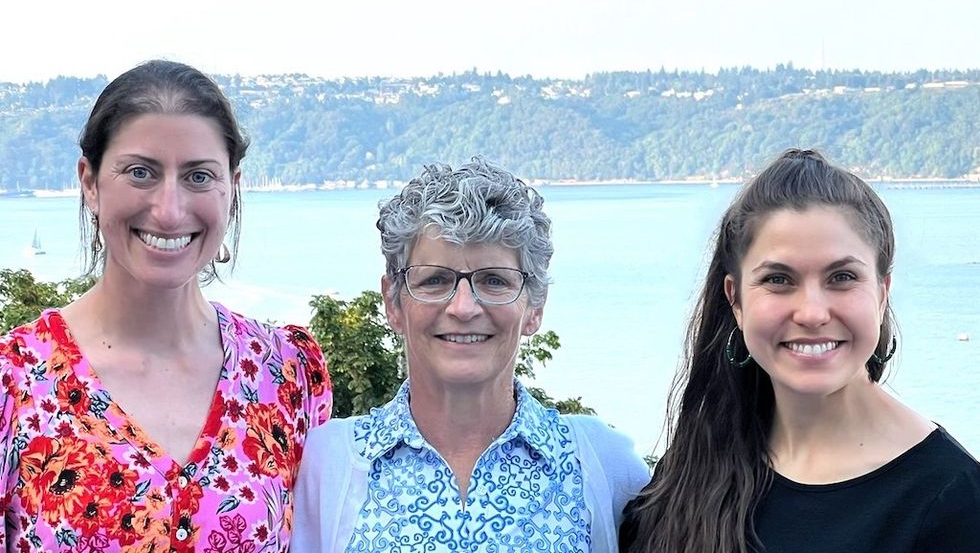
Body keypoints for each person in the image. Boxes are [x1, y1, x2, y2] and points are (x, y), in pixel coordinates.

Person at [0, 60, 332, 552]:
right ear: (90, 182)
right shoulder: (15, 383)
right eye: (140, 173)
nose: (170, 210)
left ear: (232, 187)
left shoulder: (286, 374)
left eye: (199, 176)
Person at [619, 149, 980, 553]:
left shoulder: (954, 502)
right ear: (735, 301)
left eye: (842, 277)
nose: (812, 313)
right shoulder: (693, 467)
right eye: (778, 279)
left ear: (881, 295)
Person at [293, 158, 649, 552]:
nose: (463, 307)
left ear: (535, 306)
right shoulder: (330, 463)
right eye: (435, 280)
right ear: (393, 302)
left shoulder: (603, 465)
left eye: (494, 281)